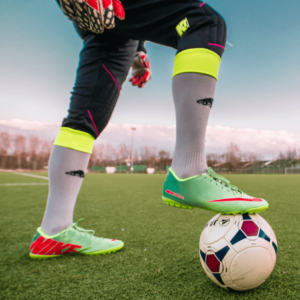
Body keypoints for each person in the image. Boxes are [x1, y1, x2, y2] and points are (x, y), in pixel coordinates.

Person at [29, 0, 268, 259]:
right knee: (203, 23)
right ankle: (189, 171)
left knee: (84, 119)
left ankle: (53, 230)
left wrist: (138, 50)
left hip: (113, 28)